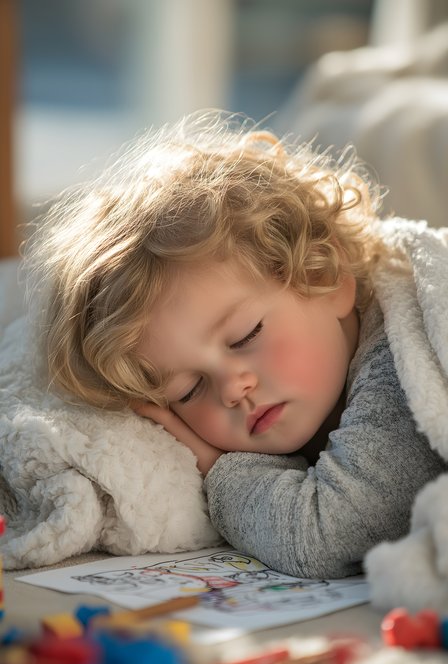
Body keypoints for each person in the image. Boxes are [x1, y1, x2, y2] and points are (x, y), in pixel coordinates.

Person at [26, 112, 446, 579]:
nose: (231, 389)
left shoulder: (400, 367)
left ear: (325, 278)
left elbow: (325, 534)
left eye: (245, 336)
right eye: (187, 391)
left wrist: (218, 468)